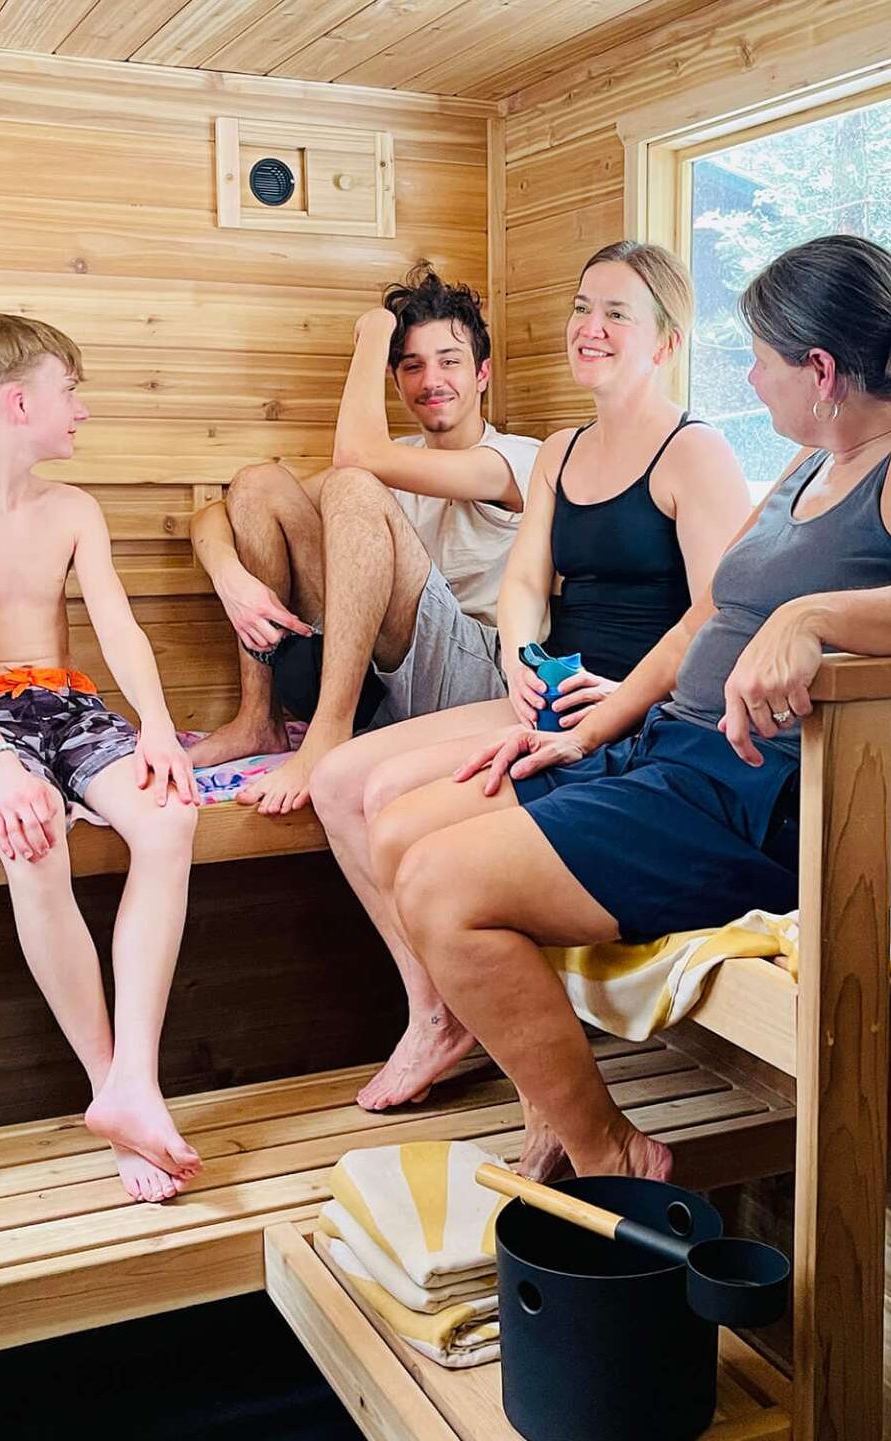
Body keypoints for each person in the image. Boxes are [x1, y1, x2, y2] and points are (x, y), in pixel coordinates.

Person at [364, 235, 891, 1180]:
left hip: (767, 800)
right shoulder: (816, 461)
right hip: (667, 756)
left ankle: (613, 1153)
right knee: (400, 834)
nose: (750, 377)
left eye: (760, 358)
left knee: (445, 889)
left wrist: (815, 617)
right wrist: (593, 724)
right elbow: (712, 612)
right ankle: (553, 1114)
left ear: (817, 368)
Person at [309, 241, 750, 1114]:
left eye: (615, 314)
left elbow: (715, 610)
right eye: (583, 307)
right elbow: (524, 580)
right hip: (545, 688)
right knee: (336, 778)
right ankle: (435, 1010)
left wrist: (614, 707)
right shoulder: (558, 451)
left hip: (628, 707)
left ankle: (502, 1043)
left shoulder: (695, 452)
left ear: (664, 342)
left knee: (392, 797)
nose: (589, 327)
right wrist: (515, 656)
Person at [0, 314, 204, 1204]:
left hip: (67, 703)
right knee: (33, 838)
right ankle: (110, 1087)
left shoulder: (74, 509)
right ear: (18, 400)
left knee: (170, 814)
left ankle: (134, 1085)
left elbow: (118, 624)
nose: (84, 410)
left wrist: (153, 721)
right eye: (71, 390)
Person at [186, 265, 540, 814]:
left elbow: (355, 459)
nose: (432, 381)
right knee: (259, 484)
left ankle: (327, 733)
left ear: (483, 374)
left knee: (352, 485)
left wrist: (376, 330)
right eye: (412, 365)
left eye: (450, 362)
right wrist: (228, 575)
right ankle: (259, 720)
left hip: (480, 680)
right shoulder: (394, 456)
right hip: (383, 673)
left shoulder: (518, 460)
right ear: (396, 381)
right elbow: (219, 512)